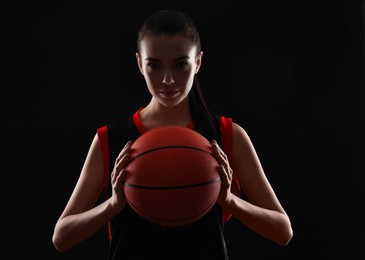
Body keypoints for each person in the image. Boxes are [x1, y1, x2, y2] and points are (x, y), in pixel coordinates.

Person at [52, 9, 293, 259]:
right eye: (154, 65)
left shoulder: (227, 135)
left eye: (180, 64)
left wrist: (230, 201)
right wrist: (112, 205)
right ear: (139, 63)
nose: (167, 79)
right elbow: (61, 237)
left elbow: (282, 231)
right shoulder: (111, 139)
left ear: (198, 62)